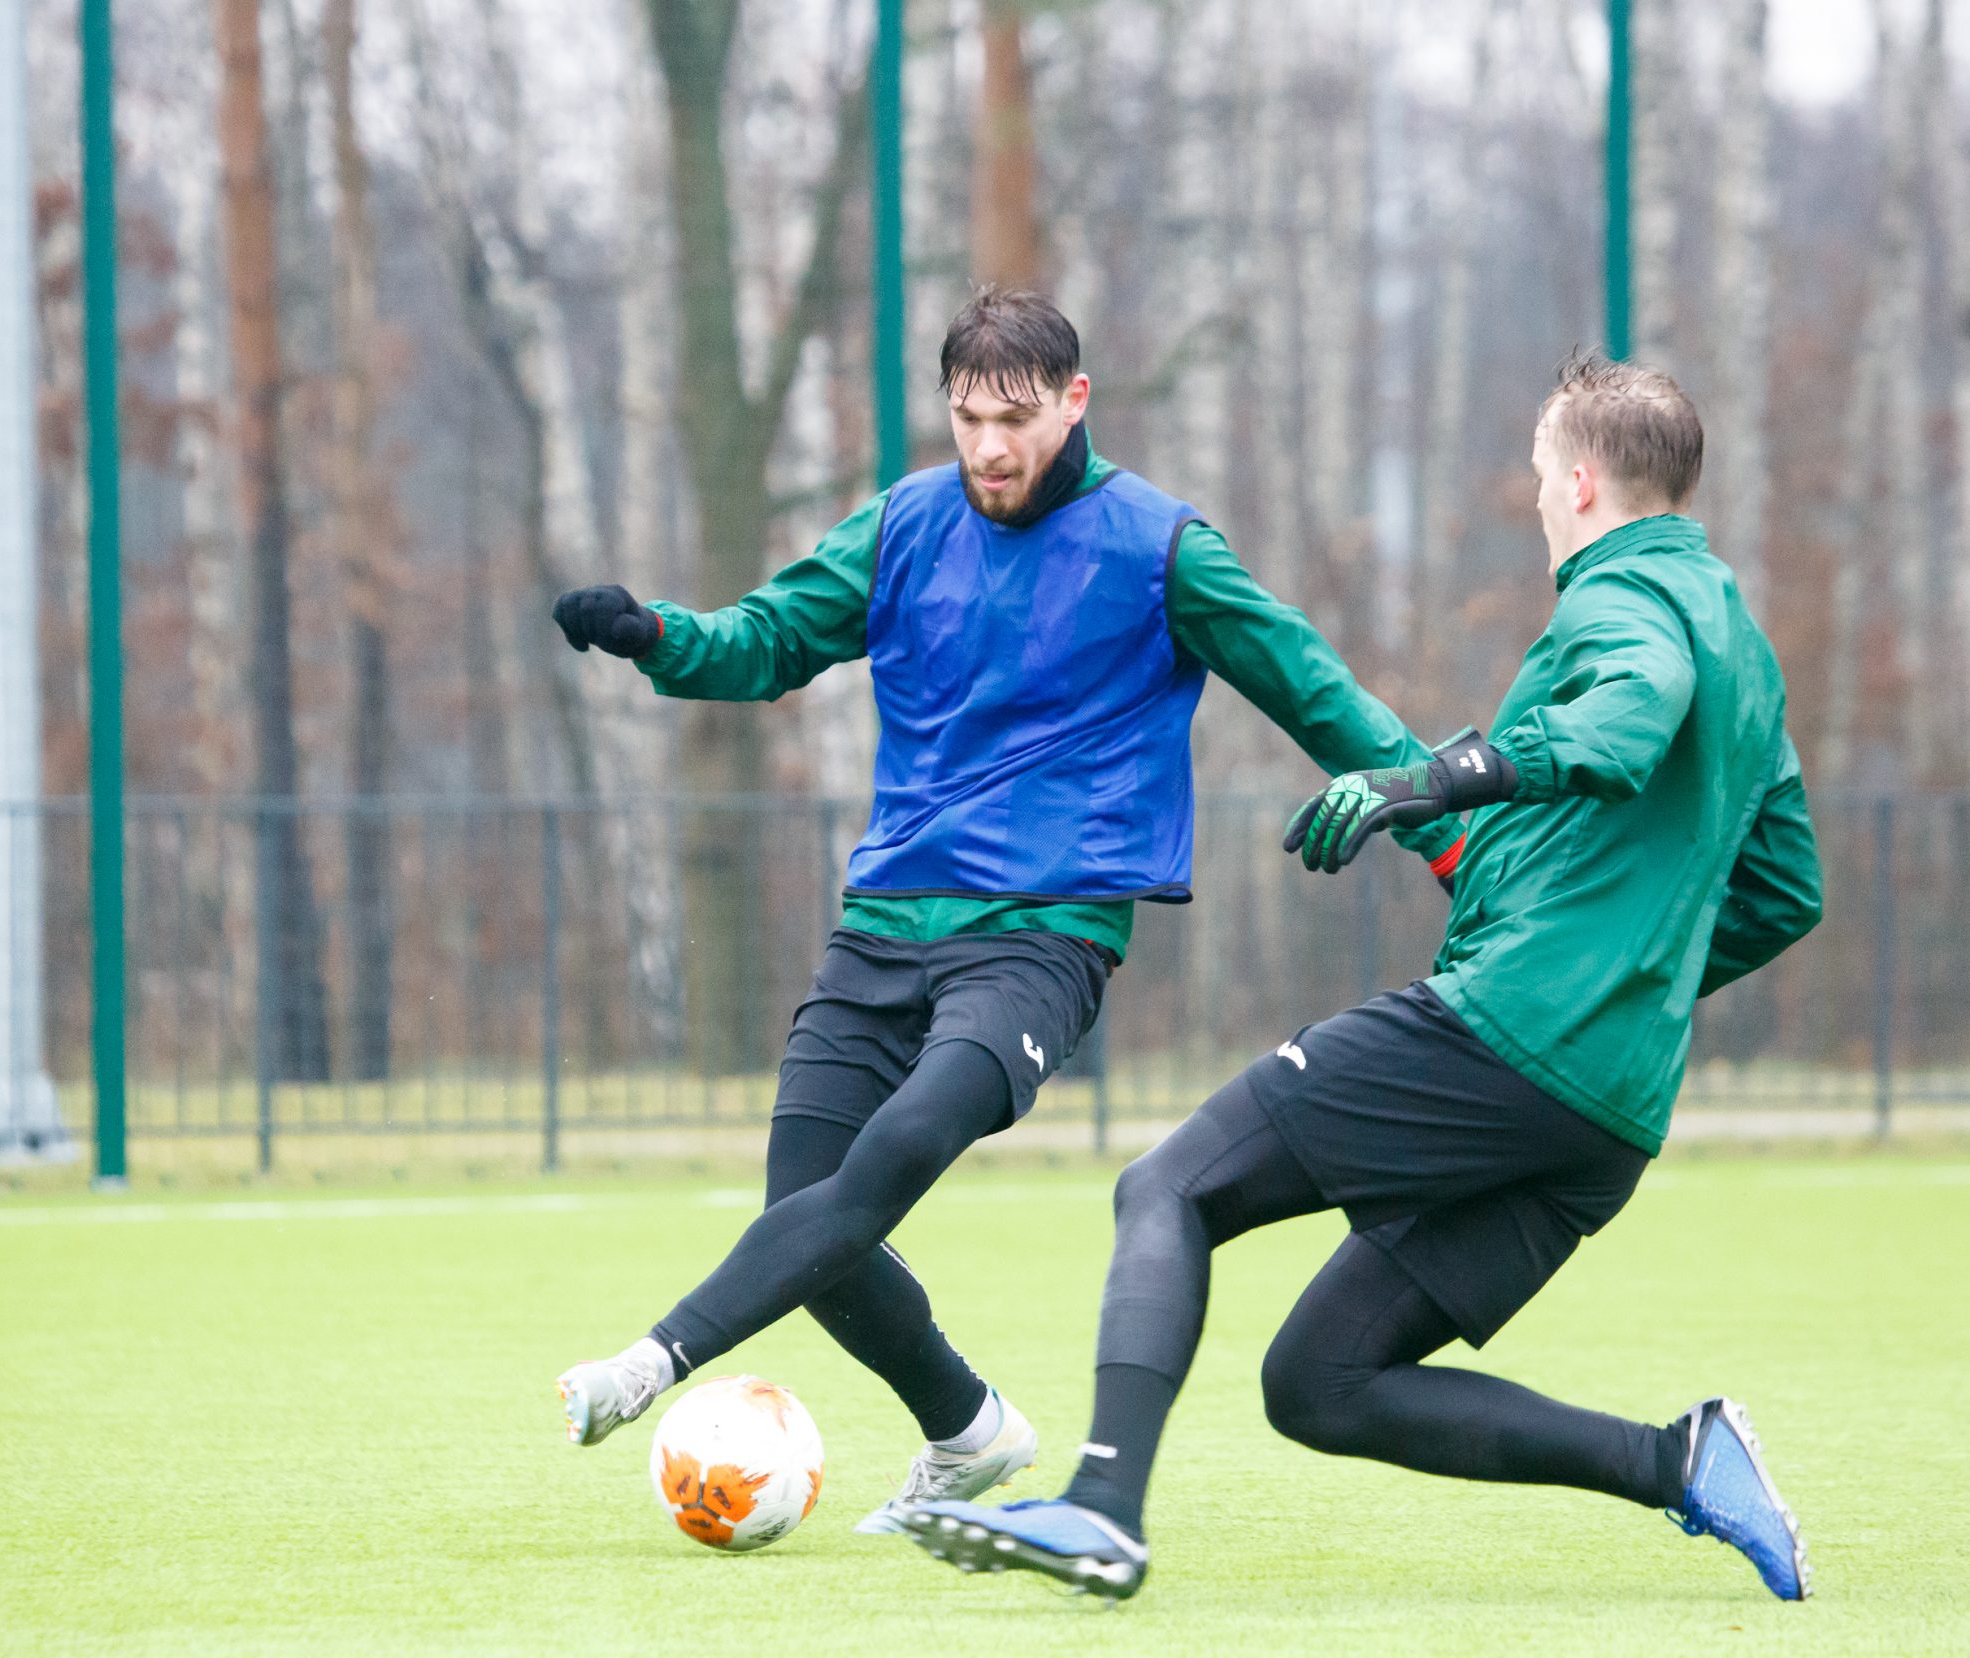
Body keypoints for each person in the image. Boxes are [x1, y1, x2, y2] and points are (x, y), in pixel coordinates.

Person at [898, 354, 1826, 1601]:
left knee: (1168, 1186)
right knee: (1322, 1381)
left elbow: (1623, 724)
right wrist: (1624, 978)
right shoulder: (1742, 646)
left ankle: (1100, 1507)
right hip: (1609, 1114)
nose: (1538, 501)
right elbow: (1785, 889)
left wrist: (1430, 781)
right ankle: (1680, 1462)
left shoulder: (1619, 598)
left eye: (1539, 478)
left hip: (1508, 1035)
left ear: (1580, 484)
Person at [548, 287, 1453, 1531]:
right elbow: (765, 642)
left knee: (894, 1154)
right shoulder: (903, 526)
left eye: (1014, 418)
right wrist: (655, 633)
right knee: (803, 1206)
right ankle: (969, 1430)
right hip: (884, 922)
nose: (988, 446)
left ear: (1074, 402)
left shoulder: (1161, 548)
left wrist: (1443, 824)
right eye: (968, 417)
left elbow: (1314, 689)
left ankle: (646, 1366)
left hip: (1042, 937)